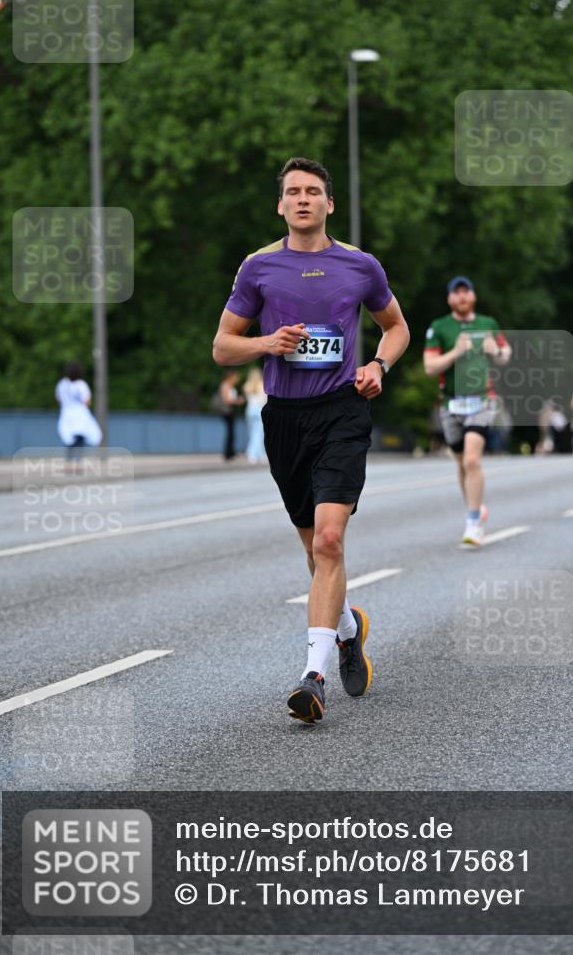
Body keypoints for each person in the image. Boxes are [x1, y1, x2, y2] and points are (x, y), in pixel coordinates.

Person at [212, 157, 409, 723]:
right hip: (285, 420)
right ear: (281, 205)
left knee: (328, 541)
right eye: (293, 192)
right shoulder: (258, 268)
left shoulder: (359, 265)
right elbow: (224, 347)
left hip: (343, 411)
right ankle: (348, 629)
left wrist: (378, 364)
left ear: (328, 204)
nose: (303, 199)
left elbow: (396, 326)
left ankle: (313, 678)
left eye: (313, 192)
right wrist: (268, 342)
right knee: (313, 549)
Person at [423, 276, 511, 547]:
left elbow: (505, 356)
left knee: (472, 460)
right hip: (451, 402)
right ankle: (476, 508)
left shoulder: (488, 323)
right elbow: (430, 367)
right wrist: (456, 352)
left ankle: (473, 522)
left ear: (473, 296)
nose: (461, 297)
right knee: (461, 463)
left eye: (466, 292)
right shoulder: (440, 327)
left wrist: (494, 349)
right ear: (450, 298)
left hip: (482, 399)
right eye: (456, 293)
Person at [55, 361, 102, 463]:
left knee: (69, 438)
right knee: (80, 436)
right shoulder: (81, 385)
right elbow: (86, 401)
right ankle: (77, 461)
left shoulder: (62, 384)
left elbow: (59, 399)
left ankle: (69, 460)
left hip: (66, 412)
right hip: (80, 414)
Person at [217, 370, 245, 461]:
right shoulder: (225, 385)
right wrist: (238, 401)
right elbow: (226, 400)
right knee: (230, 432)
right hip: (226, 411)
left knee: (231, 432)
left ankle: (231, 452)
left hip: (230, 411)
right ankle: (228, 453)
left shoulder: (230, 386)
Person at [243, 367, 267, 464]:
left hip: (249, 410)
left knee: (253, 433)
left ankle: (260, 455)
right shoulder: (262, 385)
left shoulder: (247, 386)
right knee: (258, 434)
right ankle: (252, 454)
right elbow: (264, 400)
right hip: (258, 410)